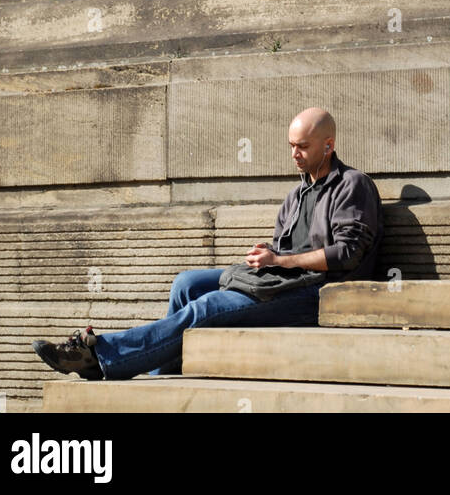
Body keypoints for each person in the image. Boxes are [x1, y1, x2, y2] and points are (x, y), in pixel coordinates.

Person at [32, 107, 383, 381]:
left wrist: (283, 260)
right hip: (286, 280)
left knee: (208, 307)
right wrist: (269, 255)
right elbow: (283, 249)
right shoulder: (296, 194)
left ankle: (99, 356)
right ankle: (161, 375)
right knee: (186, 283)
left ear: (328, 145)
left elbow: (347, 254)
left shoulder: (352, 185)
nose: (295, 154)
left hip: (319, 293)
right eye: (291, 146)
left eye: (303, 147)